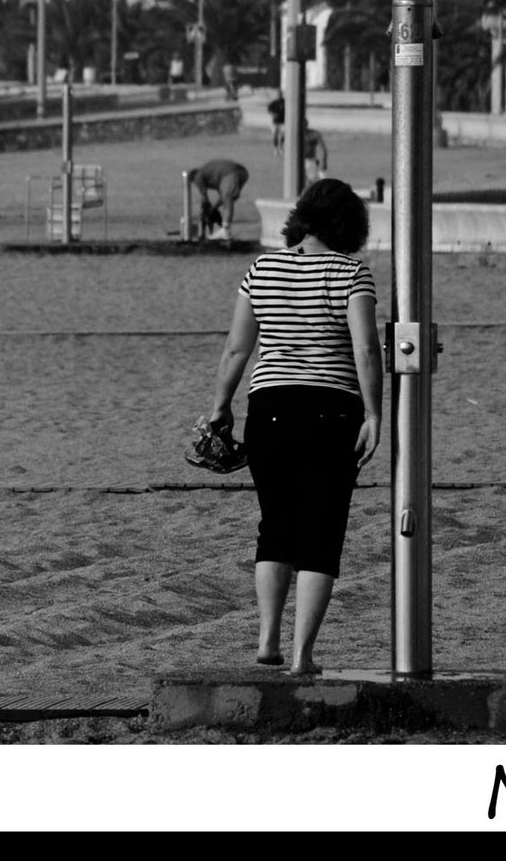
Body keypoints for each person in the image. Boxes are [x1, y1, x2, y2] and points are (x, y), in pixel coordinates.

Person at [202, 178, 382, 675]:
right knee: (320, 534)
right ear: (351, 224)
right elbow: (366, 349)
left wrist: (221, 408)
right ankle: (302, 656)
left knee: (275, 527)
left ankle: (266, 640)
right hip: (332, 411)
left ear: (300, 216)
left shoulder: (260, 269)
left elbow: (237, 349)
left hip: (269, 409)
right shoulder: (352, 274)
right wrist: (374, 413)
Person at [188, 158, 249, 241]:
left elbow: (204, 198)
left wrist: (206, 208)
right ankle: (226, 229)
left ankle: (225, 230)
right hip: (242, 173)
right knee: (228, 198)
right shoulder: (214, 177)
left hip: (230, 172)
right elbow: (221, 198)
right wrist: (214, 208)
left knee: (227, 198)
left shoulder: (198, 175)